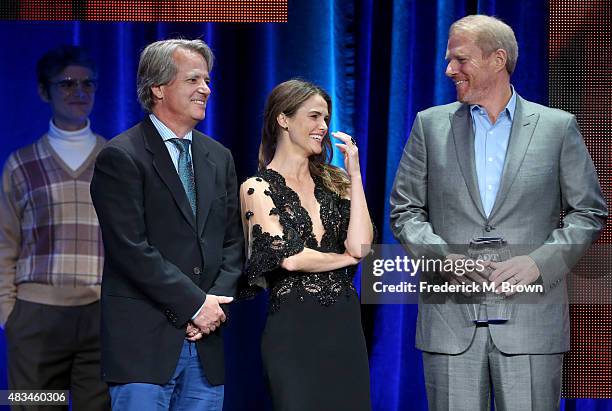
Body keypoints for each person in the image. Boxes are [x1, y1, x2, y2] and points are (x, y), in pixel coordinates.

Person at [390, 15, 608, 411]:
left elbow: (588, 211)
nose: (449, 70)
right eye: (448, 60)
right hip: (451, 324)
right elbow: (405, 211)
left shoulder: (557, 127)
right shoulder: (429, 125)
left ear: (497, 59)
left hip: (530, 324)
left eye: (460, 59)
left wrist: (539, 263)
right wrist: (444, 257)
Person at [90, 39, 243, 411]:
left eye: (207, 80)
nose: (206, 89)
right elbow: (131, 249)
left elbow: (233, 244)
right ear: (158, 87)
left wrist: (212, 309)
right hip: (144, 347)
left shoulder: (218, 157)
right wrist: (194, 304)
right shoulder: (121, 156)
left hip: (205, 343)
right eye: (193, 80)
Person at [239, 79, 374, 410]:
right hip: (294, 331)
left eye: (326, 119)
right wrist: (344, 259)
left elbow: (361, 246)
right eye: (314, 116)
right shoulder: (256, 187)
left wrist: (355, 176)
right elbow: (290, 259)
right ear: (283, 120)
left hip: (344, 327)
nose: (323, 127)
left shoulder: (337, 181)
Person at [0, 45, 110, 410]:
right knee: (35, 406)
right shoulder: (21, 164)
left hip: (100, 314)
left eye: (87, 84)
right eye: (66, 84)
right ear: (44, 91)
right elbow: (5, 243)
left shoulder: (116, 162)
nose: (79, 92)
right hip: (36, 316)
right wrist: (8, 315)